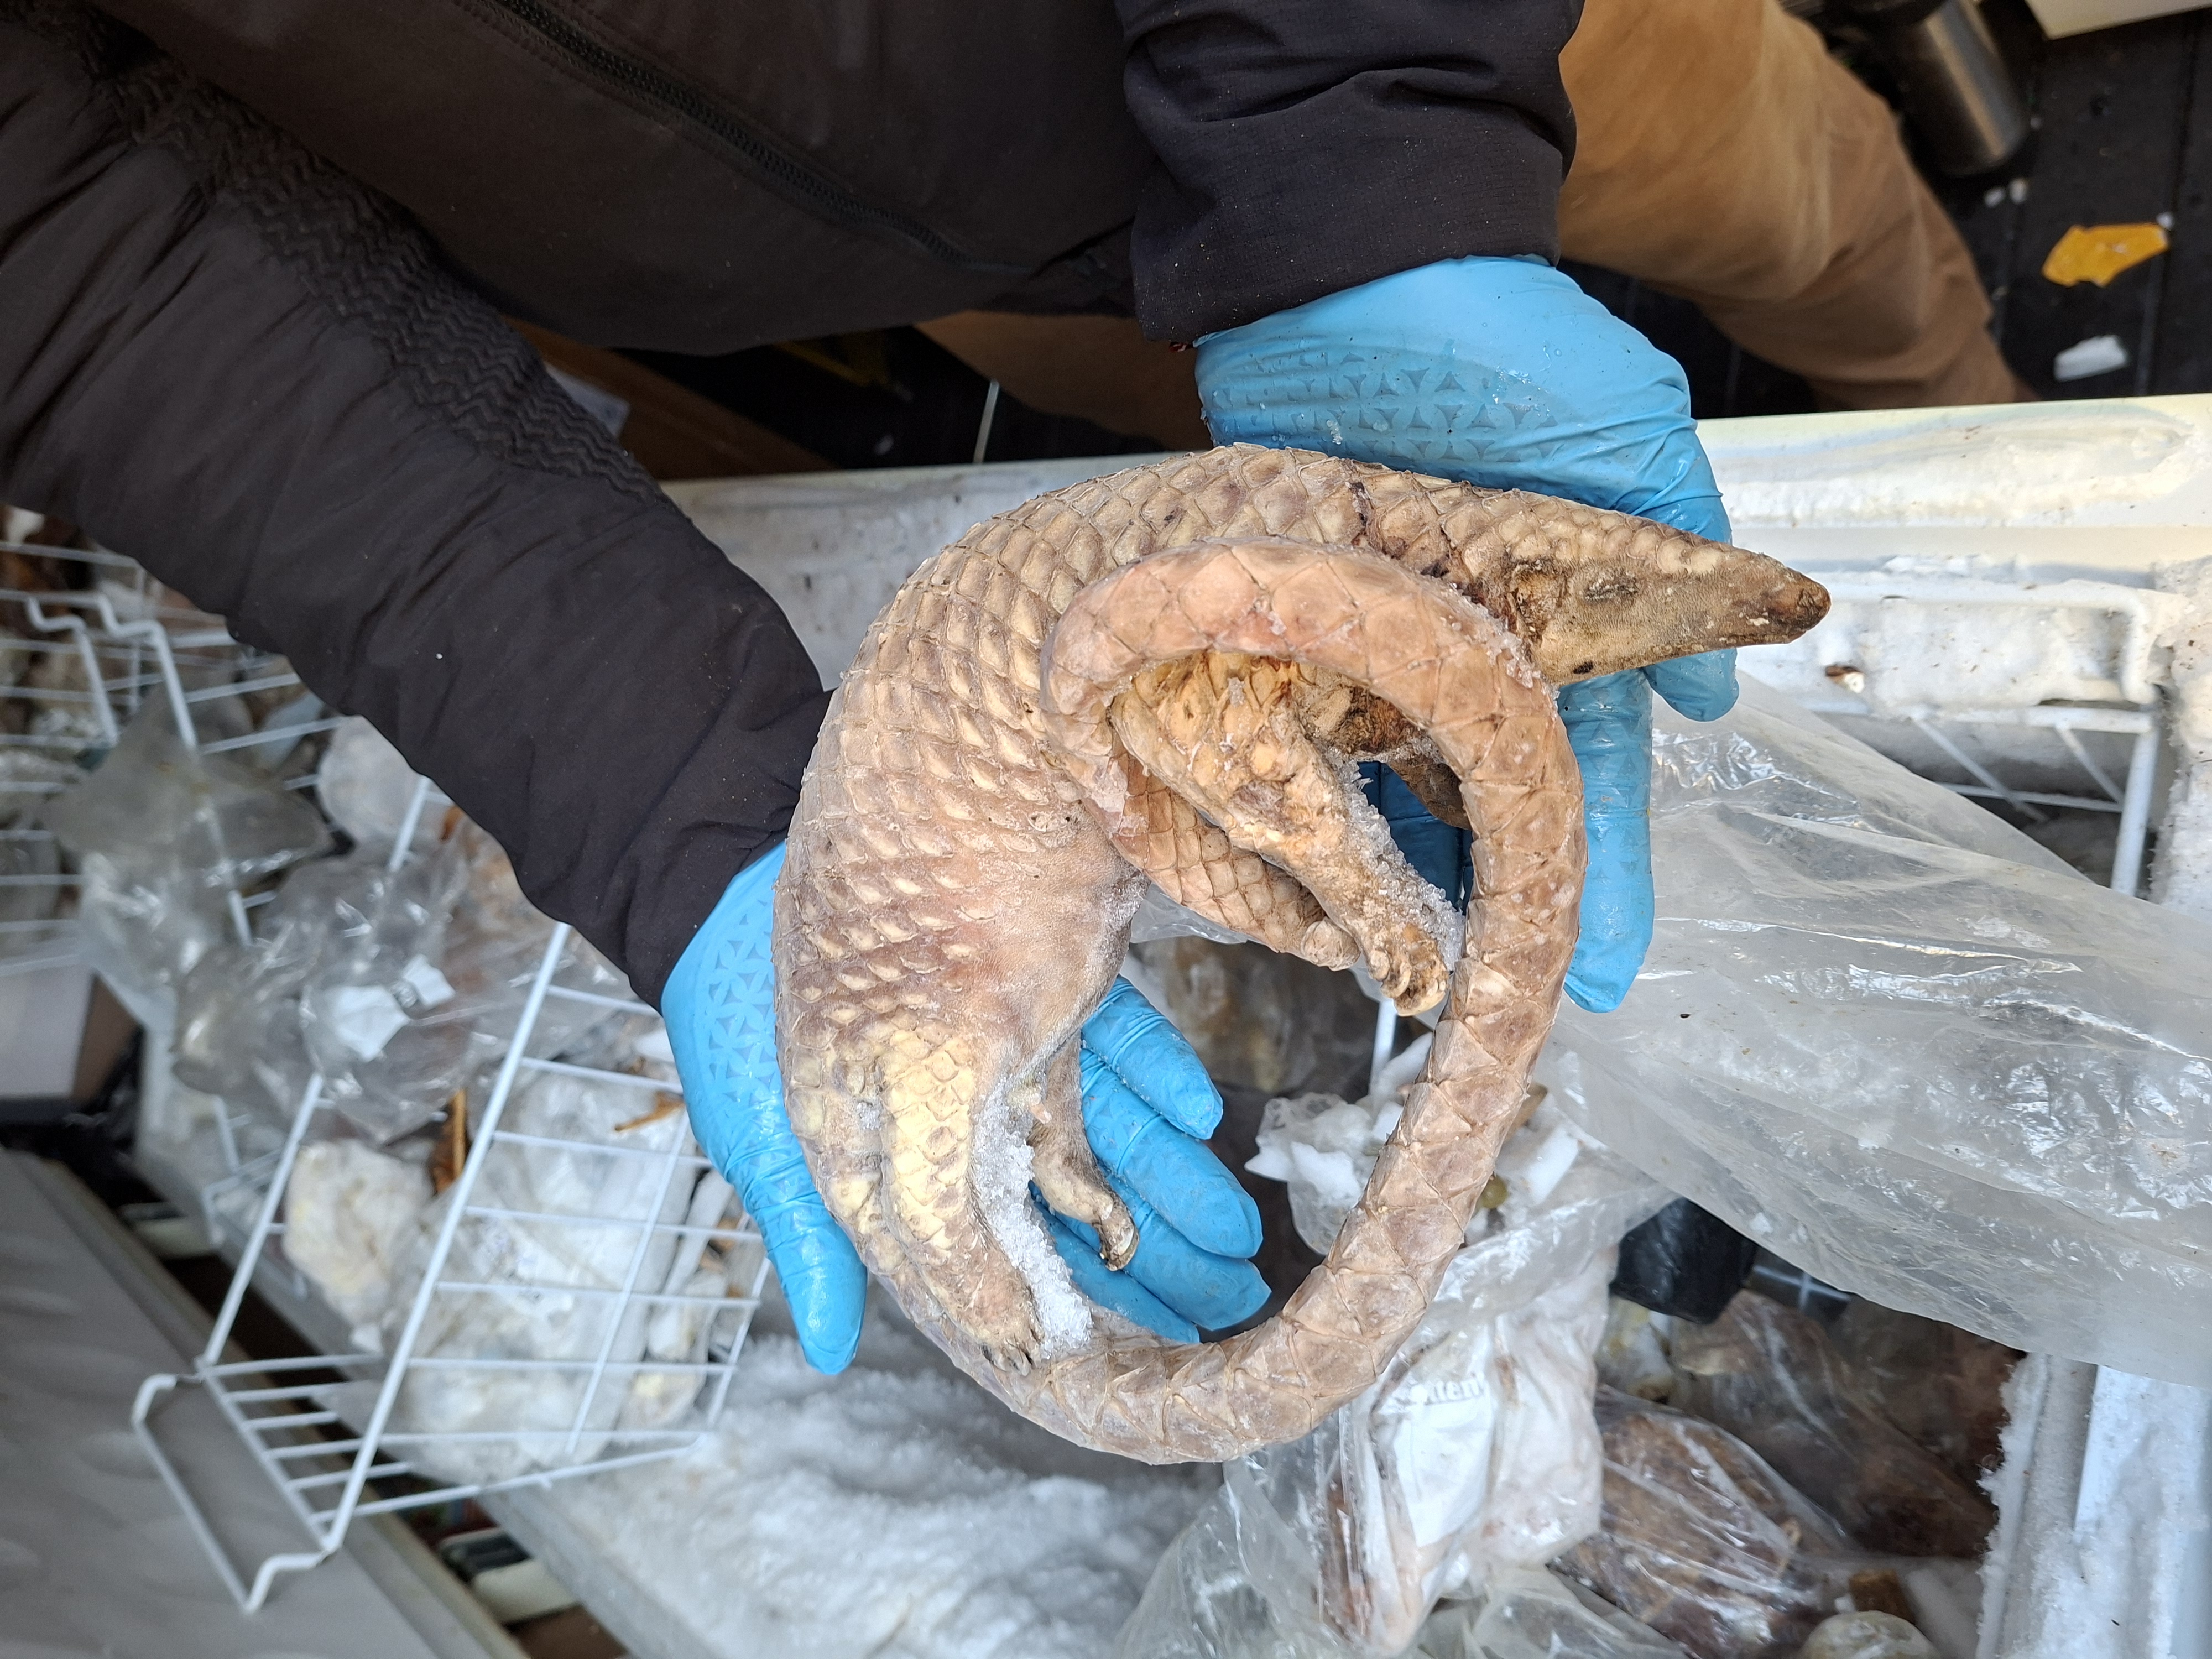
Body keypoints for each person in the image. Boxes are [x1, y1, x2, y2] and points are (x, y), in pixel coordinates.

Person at [0, 0, 2016, 1374]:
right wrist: (680, 792)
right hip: (903, 220)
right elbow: (74, 237)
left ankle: (1978, 365)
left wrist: (1367, 137)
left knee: (1793, 206)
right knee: (1149, 382)